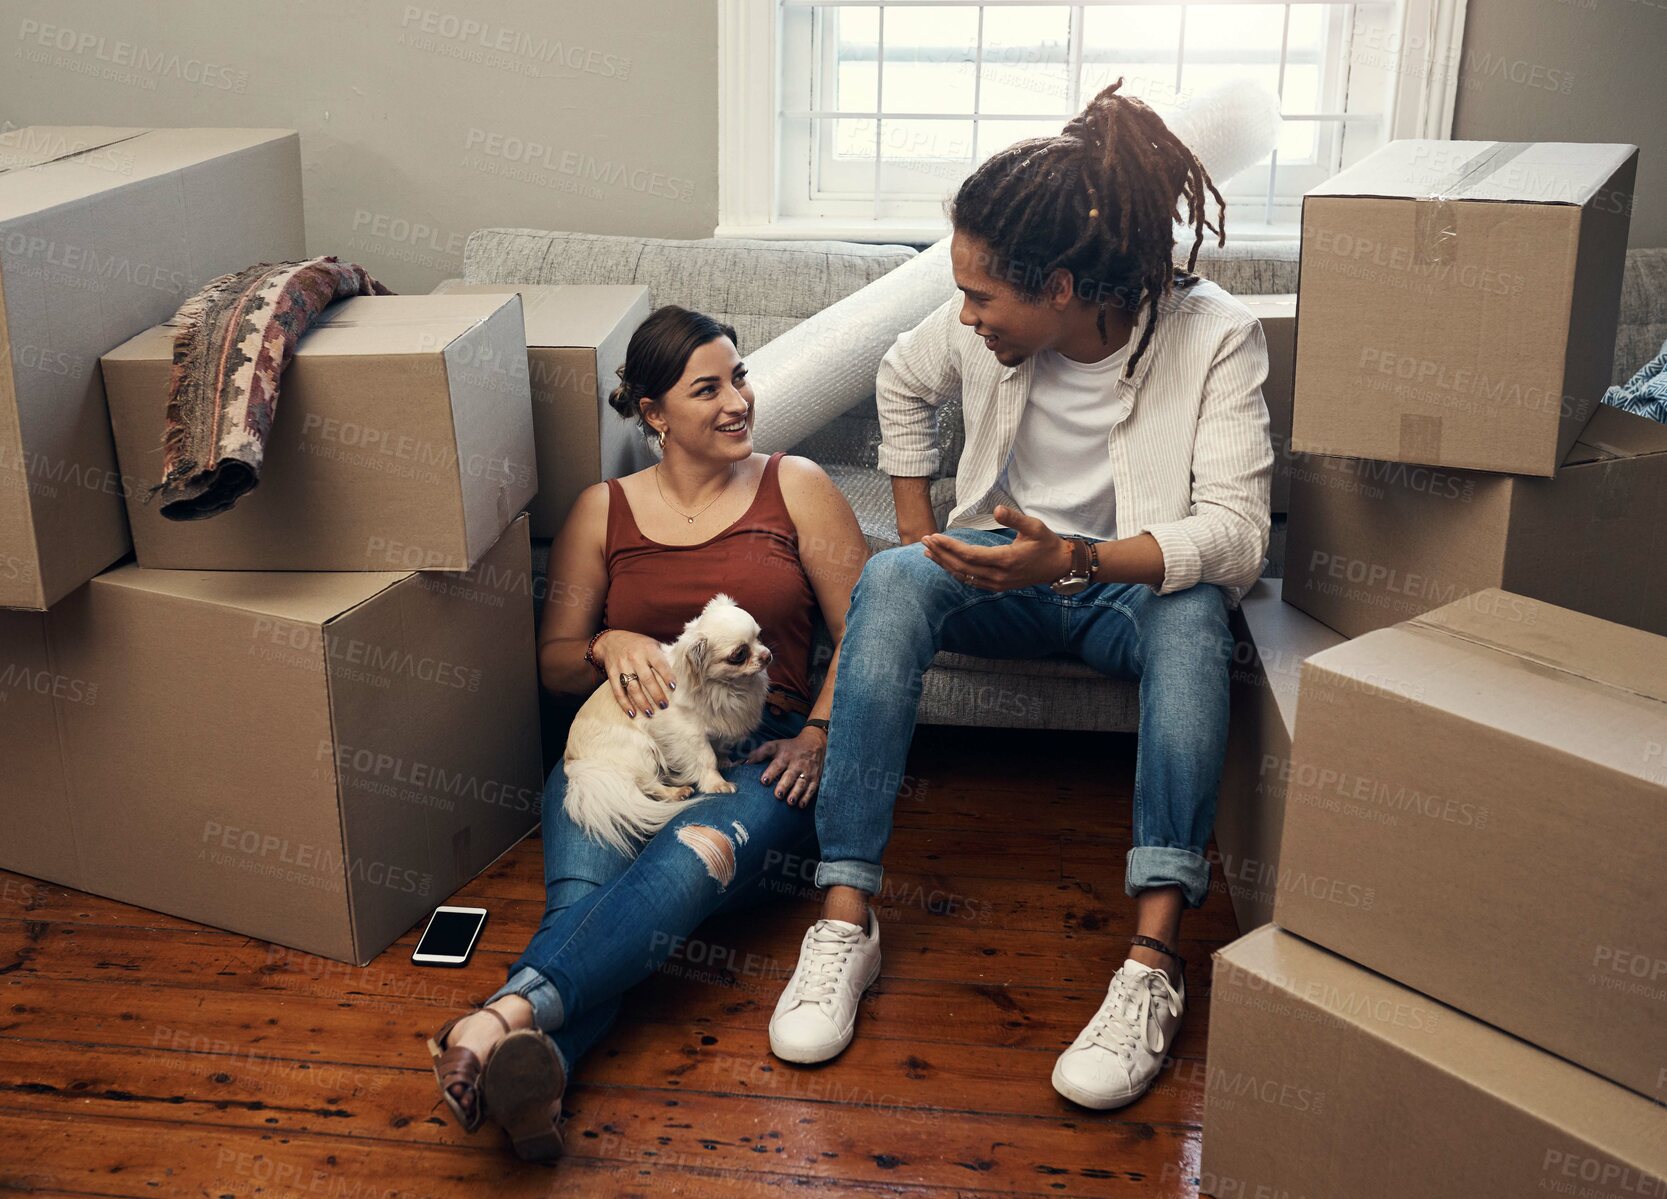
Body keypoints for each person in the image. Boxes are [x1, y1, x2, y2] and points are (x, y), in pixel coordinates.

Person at [768, 79, 1273, 1113]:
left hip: (1123, 583)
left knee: (1192, 618)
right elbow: (900, 382)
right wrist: (922, 535)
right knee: (893, 579)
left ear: (1057, 287)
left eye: (981, 297)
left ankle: (1148, 961)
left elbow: (1233, 535)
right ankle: (844, 915)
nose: (963, 315)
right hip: (1004, 568)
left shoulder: (1214, 335)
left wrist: (1078, 561)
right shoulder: (974, 334)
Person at [427, 305, 868, 1160]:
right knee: (586, 905)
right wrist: (606, 640)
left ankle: (494, 1018)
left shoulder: (796, 484)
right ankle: (539, 1062)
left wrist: (816, 732)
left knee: (683, 856)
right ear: (654, 413)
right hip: (614, 748)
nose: (738, 400)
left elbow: (868, 638)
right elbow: (554, 663)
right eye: (708, 387)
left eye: (739, 376)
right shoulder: (605, 510)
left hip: (757, 755)